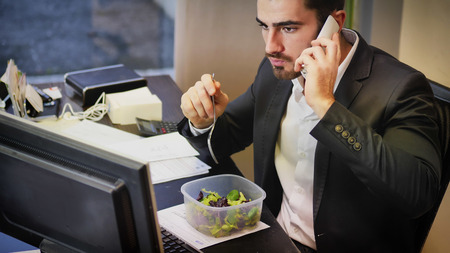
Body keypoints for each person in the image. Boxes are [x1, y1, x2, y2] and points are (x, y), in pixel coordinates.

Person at [178, 0, 442, 252]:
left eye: (288, 28)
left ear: (334, 24)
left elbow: (416, 194)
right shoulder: (280, 69)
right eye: (264, 26)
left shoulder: (403, 88)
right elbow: (225, 138)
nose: (271, 46)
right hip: (270, 238)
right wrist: (202, 121)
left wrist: (326, 106)